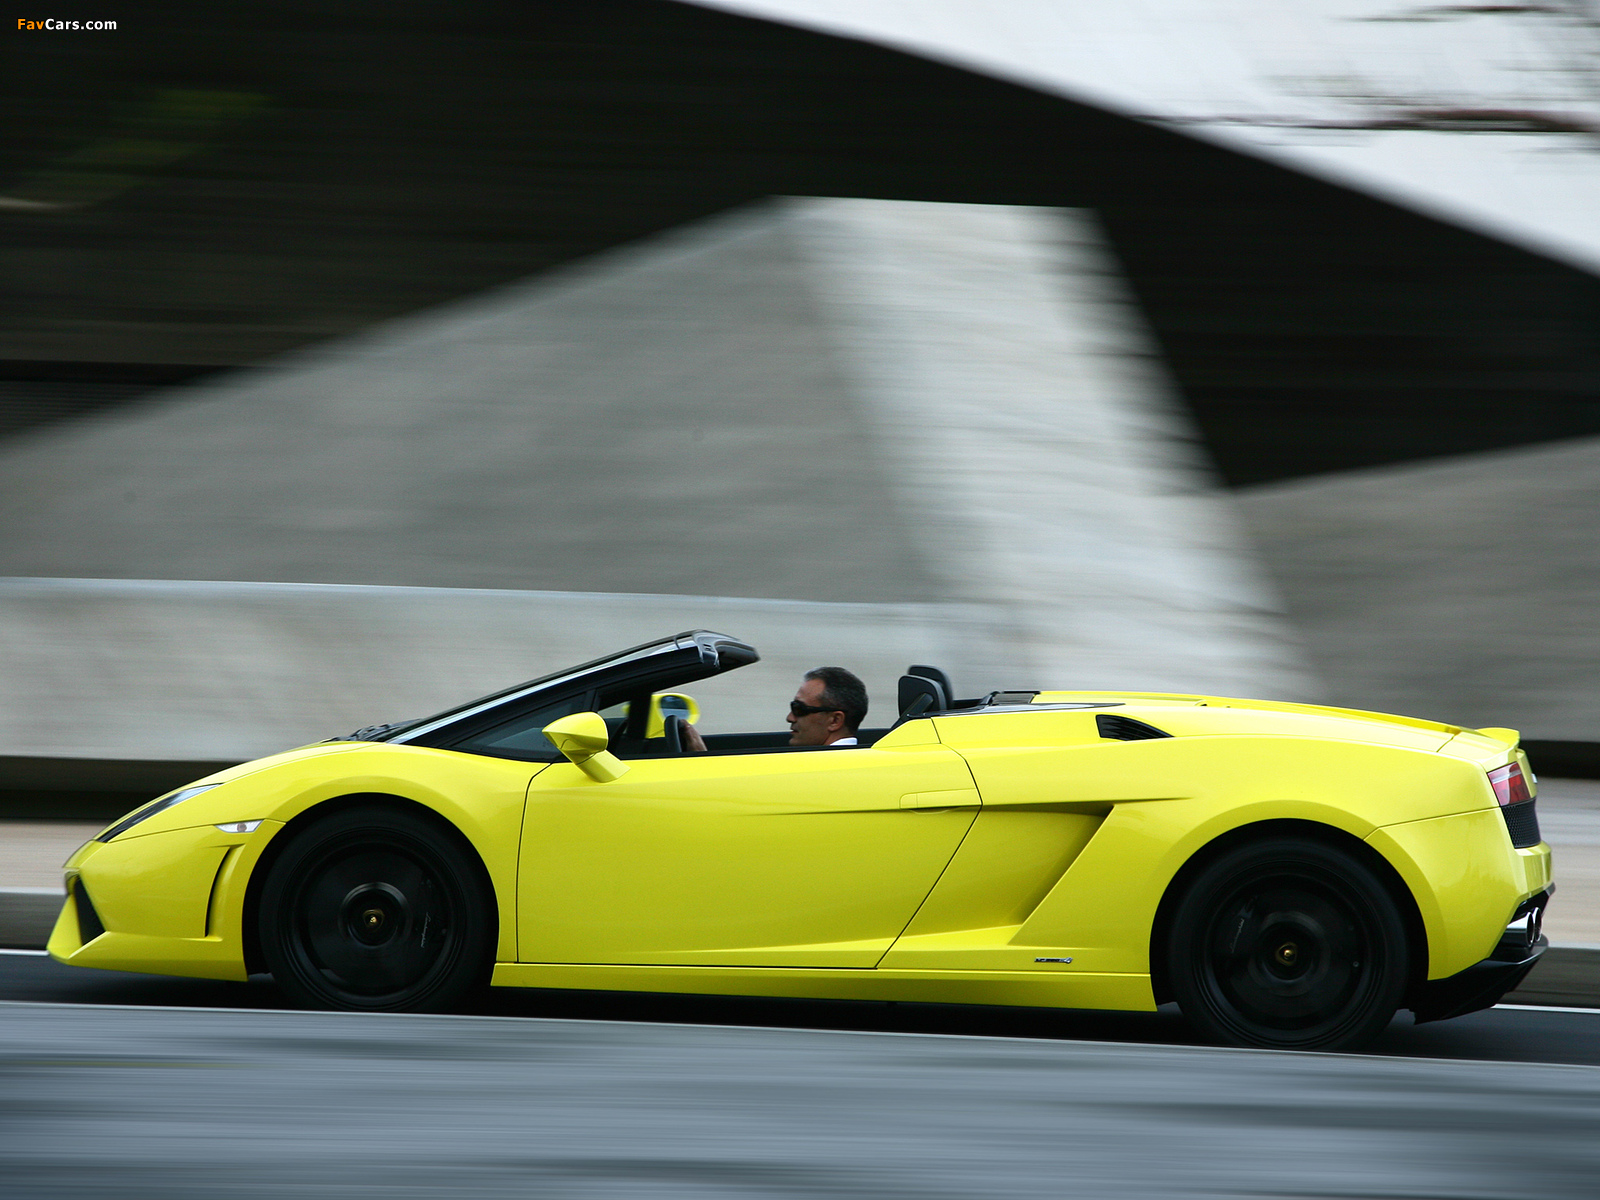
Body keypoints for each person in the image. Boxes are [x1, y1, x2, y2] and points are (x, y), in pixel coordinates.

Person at [680, 666, 868, 752]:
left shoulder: (826, 770)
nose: (790, 717)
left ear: (835, 721)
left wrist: (700, 759)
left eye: (799, 708)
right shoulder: (826, 763)